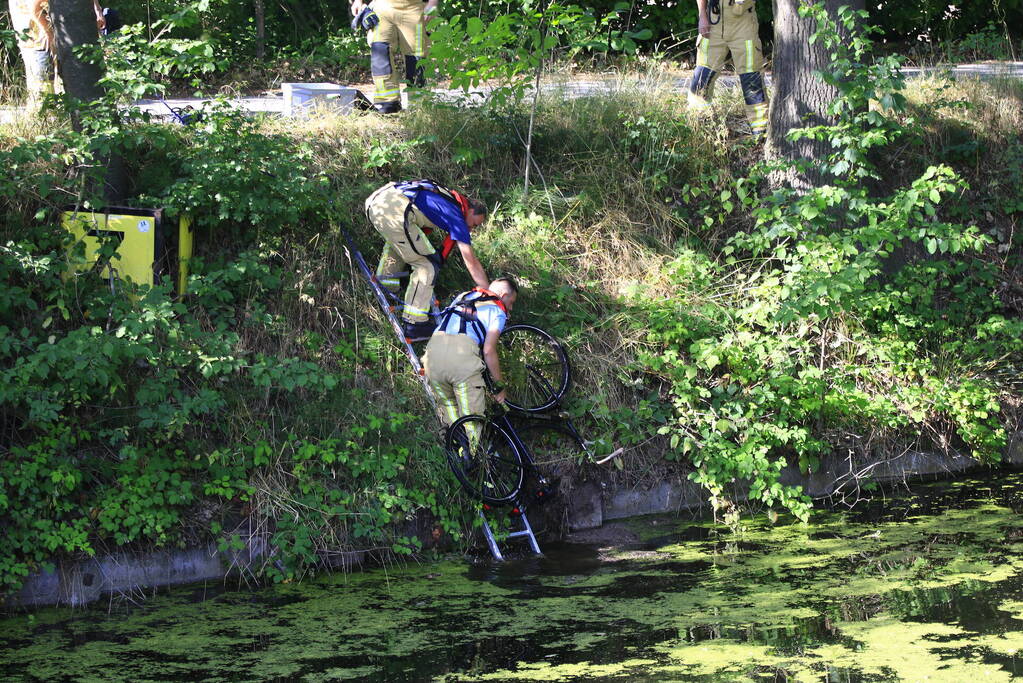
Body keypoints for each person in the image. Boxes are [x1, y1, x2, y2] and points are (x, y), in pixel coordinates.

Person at [364, 179, 490, 341]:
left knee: (401, 239)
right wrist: (488, 292)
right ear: (470, 211)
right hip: (395, 210)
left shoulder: (447, 197)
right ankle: (415, 323)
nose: (471, 230)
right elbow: (471, 261)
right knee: (427, 265)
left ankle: (387, 285)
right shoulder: (457, 215)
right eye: (474, 224)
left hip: (377, 202)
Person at [424, 277, 518, 427]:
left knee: (451, 418)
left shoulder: (464, 295)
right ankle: (473, 449)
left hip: (431, 354)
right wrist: (500, 386)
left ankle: (454, 446)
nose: (511, 308)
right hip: (461, 358)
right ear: (504, 295)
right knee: (472, 422)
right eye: (511, 303)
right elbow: (488, 350)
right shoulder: (498, 311)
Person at [686, 0, 769, 139]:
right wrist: (702, 16)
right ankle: (699, 129)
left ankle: (760, 135)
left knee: (751, 79)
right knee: (702, 77)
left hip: (743, 24)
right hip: (713, 22)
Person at [8, 0, 105, 107]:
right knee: (42, 86)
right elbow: (34, 9)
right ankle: (43, 116)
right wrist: (50, 35)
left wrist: (97, 9)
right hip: (35, 34)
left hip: (54, 27)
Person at [349, 0, 437, 114]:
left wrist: (433, 4)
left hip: (415, 8)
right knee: (380, 51)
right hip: (382, 8)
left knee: (417, 57)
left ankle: (419, 103)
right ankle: (387, 102)